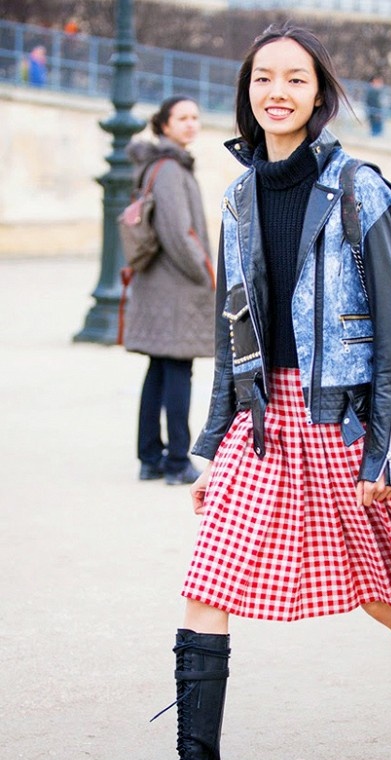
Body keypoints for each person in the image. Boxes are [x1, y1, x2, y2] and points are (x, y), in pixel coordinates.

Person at [116, 25, 391, 760]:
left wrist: (383, 451)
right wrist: (216, 445)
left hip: (338, 422)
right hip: (264, 422)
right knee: (207, 583)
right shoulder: (237, 196)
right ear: (246, 92)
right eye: (263, 78)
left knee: (378, 590)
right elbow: (233, 332)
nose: (277, 92)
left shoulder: (360, 189)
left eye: (295, 78)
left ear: (319, 93)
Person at [124, 96, 215, 485]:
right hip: (176, 287)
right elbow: (178, 233)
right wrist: (205, 273)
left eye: (195, 117)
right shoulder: (171, 169)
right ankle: (177, 461)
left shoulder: (157, 165)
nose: (191, 124)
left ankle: (150, 457)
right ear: (164, 125)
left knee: (160, 368)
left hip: (158, 283)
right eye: (182, 118)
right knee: (178, 368)